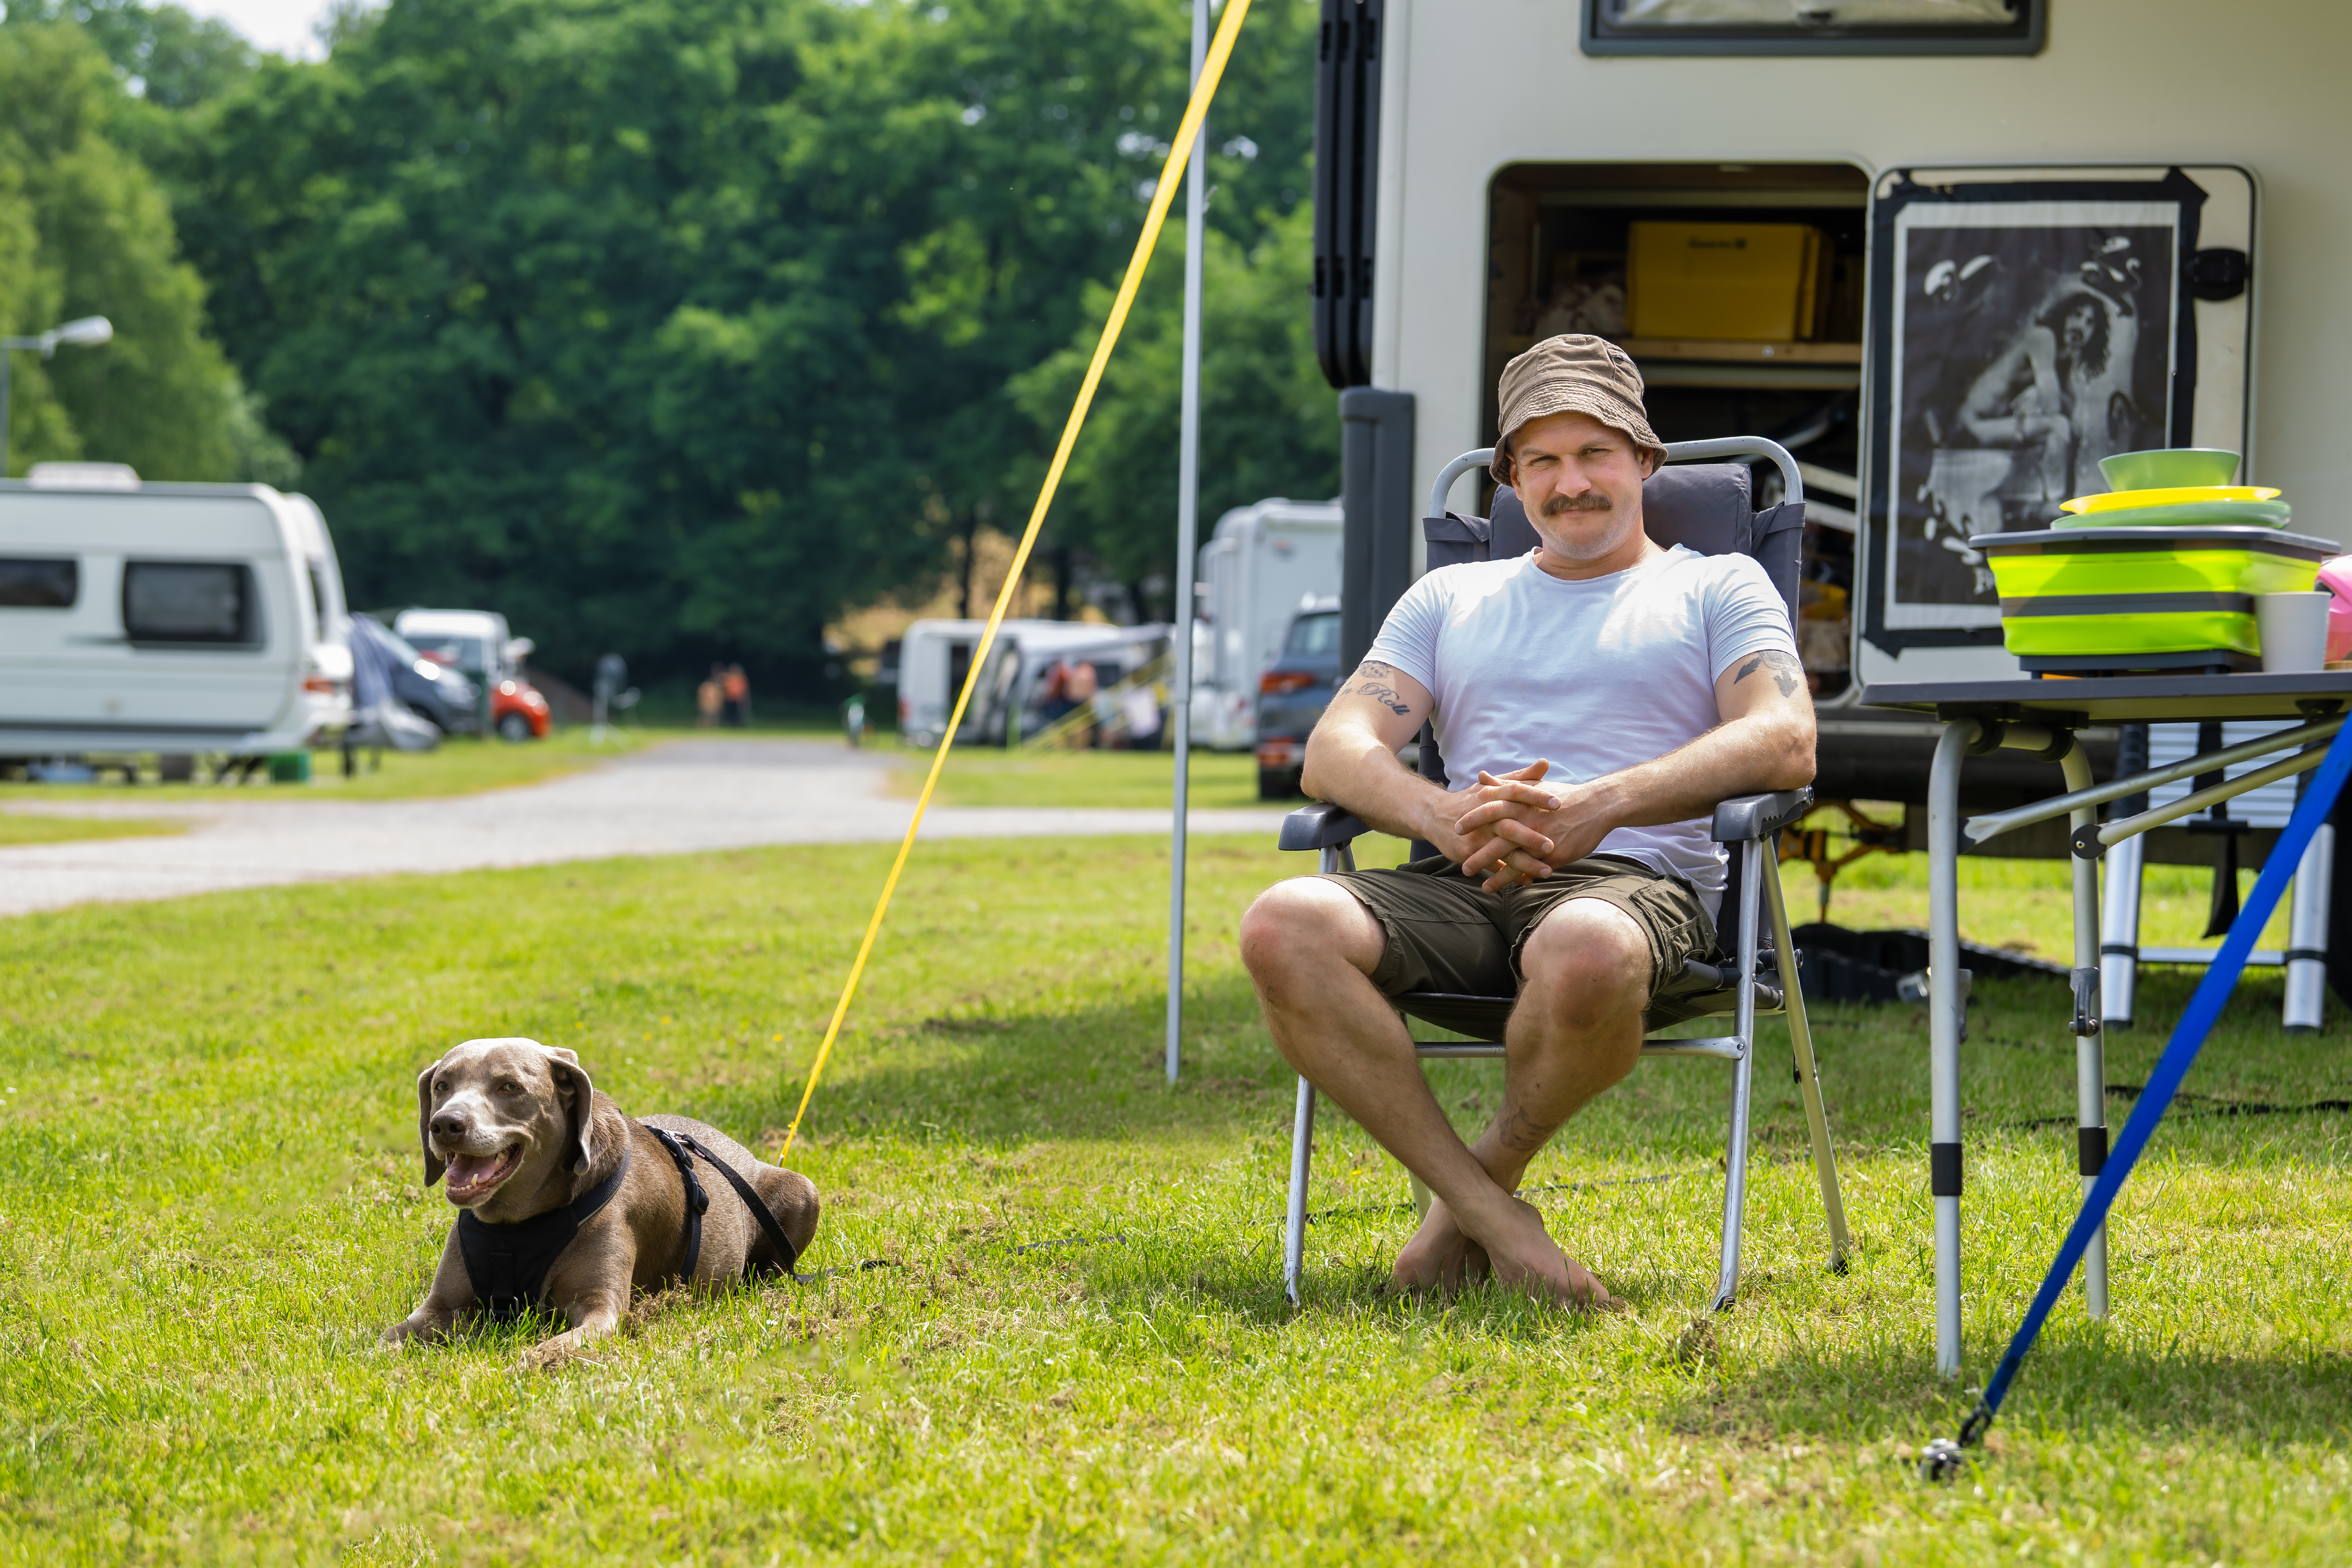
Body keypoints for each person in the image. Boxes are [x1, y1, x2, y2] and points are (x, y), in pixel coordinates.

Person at [1237, 334, 1815, 1312]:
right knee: (1281, 922)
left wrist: (1603, 804)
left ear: (1644, 459)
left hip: (1630, 884)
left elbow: (1785, 738)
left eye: (1593, 453)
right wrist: (1445, 816)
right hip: (1467, 884)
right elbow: (1334, 749)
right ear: (1510, 482)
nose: (1570, 482)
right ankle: (1498, 1221)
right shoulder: (1450, 596)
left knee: (1587, 946)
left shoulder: (1717, 585)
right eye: (1540, 460)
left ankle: (1456, 1211)